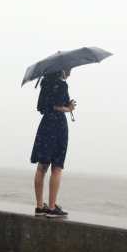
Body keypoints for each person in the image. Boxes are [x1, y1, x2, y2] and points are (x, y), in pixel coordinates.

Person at [31, 70, 75, 219]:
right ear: (62, 70)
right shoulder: (62, 85)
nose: (69, 73)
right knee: (57, 167)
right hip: (58, 126)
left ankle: (39, 206)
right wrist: (68, 108)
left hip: (45, 126)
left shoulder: (44, 84)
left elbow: (41, 107)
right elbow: (60, 106)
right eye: (68, 70)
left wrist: (63, 106)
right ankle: (51, 207)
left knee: (42, 167)